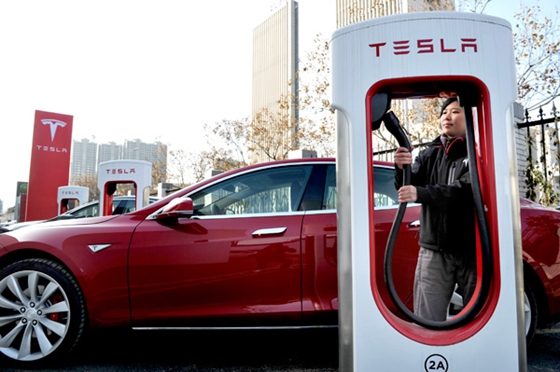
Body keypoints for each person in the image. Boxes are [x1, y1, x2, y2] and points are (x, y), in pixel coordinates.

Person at [394, 97, 477, 322]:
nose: (447, 117)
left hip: (470, 251)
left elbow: (464, 190)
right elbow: (407, 183)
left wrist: (420, 194)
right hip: (433, 250)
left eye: (455, 111)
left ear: (469, 117)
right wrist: (401, 166)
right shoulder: (430, 153)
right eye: (444, 112)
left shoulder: (477, 152)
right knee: (427, 318)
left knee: (476, 319)